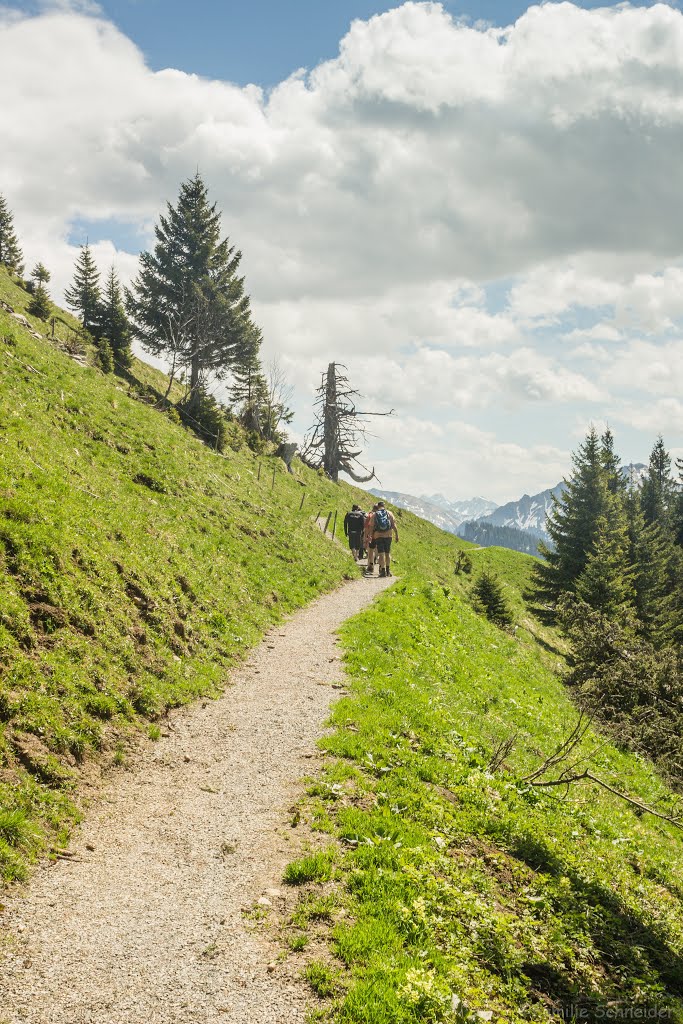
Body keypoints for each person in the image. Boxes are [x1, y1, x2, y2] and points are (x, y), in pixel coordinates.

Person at [364, 501, 399, 578]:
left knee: (381, 553)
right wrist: (396, 535)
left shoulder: (375, 514)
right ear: (384, 506)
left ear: (378, 506)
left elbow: (371, 526)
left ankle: (382, 571)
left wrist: (369, 535)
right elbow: (394, 525)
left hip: (378, 536)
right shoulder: (389, 513)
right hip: (389, 535)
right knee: (387, 553)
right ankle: (388, 570)